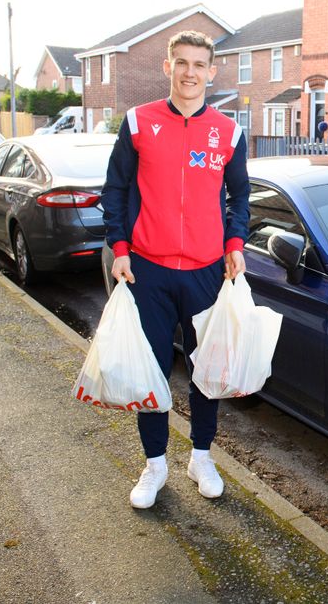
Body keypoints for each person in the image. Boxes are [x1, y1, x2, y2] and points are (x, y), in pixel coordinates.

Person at [101, 30, 250, 509]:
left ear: (212, 71)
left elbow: (240, 196)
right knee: (152, 370)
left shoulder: (228, 132)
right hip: (147, 270)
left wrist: (234, 243)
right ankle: (154, 465)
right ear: (168, 67)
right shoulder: (139, 123)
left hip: (208, 271)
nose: (190, 72)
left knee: (206, 372)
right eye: (181, 62)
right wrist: (120, 248)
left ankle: (201, 457)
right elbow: (115, 190)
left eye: (199, 64)